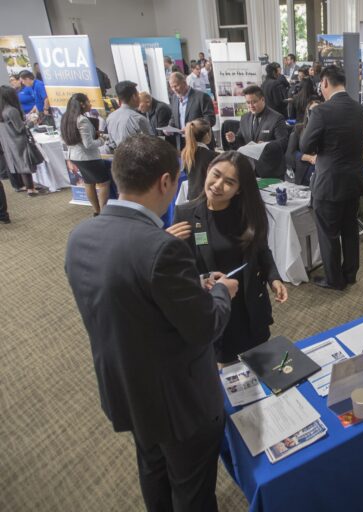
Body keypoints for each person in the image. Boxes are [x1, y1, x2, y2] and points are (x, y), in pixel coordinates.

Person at [65, 134, 238, 512]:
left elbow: (127, 301)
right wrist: (222, 292)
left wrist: (191, 287)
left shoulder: (80, 236)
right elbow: (206, 327)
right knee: (192, 489)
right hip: (180, 403)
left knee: (153, 472)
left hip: (127, 390)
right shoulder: (162, 248)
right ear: (165, 182)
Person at [172, 151, 288, 364]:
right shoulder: (185, 213)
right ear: (208, 171)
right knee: (227, 370)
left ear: (238, 189)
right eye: (215, 175)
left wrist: (274, 278)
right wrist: (167, 245)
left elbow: (262, 250)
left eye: (229, 182)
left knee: (261, 365)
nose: (217, 185)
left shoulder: (248, 213)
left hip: (249, 304)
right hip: (214, 303)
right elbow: (179, 270)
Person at [299, 65, 363, 290]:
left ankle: (334, 279)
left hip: (328, 183)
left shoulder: (321, 111)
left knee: (328, 234)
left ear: (325, 83)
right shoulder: (359, 109)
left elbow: (305, 145)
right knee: (349, 230)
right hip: (353, 181)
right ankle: (350, 274)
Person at [60, 93, 110, 214]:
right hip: (88, 157)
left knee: (89, 183)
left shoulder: (66, 118)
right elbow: (88, 144)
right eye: (88, 102)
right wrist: (102, 140)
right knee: (104, 183)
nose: (90, 104)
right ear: (82, 104)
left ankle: (97, 211)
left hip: (76, 156)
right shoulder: (82, 120)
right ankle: (103, 212)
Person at [0, 85, 40, 196]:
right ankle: (30, 189)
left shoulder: (2, 110)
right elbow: (20, 128)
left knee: (20, 166)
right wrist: (32, 122)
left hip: (8, 142)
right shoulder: (12, 110)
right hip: (18, 142)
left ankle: (27, 187)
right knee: (25, 165)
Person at [224, 85, 289, 151]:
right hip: (248, 158)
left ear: (262, 99)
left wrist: (266, 145)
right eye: (248, 102)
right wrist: (234, 139)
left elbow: (283, 143)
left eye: (254, 102)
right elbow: (241, 140)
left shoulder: (276, 118)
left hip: (267, 158)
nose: (251, 106)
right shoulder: (245, 118)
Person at [168, 71, 216, 140]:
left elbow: (210, 120)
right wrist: (169, 127)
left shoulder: (202, 97)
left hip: (199, 141)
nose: (174, 89)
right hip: (182, 142)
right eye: (172, 87)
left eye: (176, 86)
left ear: (184, 83)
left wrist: (191, 128)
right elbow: (174, 117)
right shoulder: (174, 98)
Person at [285, 96, 321, 185]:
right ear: (307, 113)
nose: (314, 114)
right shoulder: (299, 129)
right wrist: (309, 158)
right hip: (303, 172)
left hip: (321, 173)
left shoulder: (327, 130)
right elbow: (290, 154)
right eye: (312, 111)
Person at [105, 81, 152, 147]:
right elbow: (151, 144)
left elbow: (111, 143)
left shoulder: (110, 117)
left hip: (119, 156)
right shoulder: (138, 119)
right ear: (134, 97)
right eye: (138, 95)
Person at [181, 118, 216, 200]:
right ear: (207, 135)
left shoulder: (185, 153)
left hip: (192, 197)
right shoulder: (212, 156)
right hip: (207, 198)